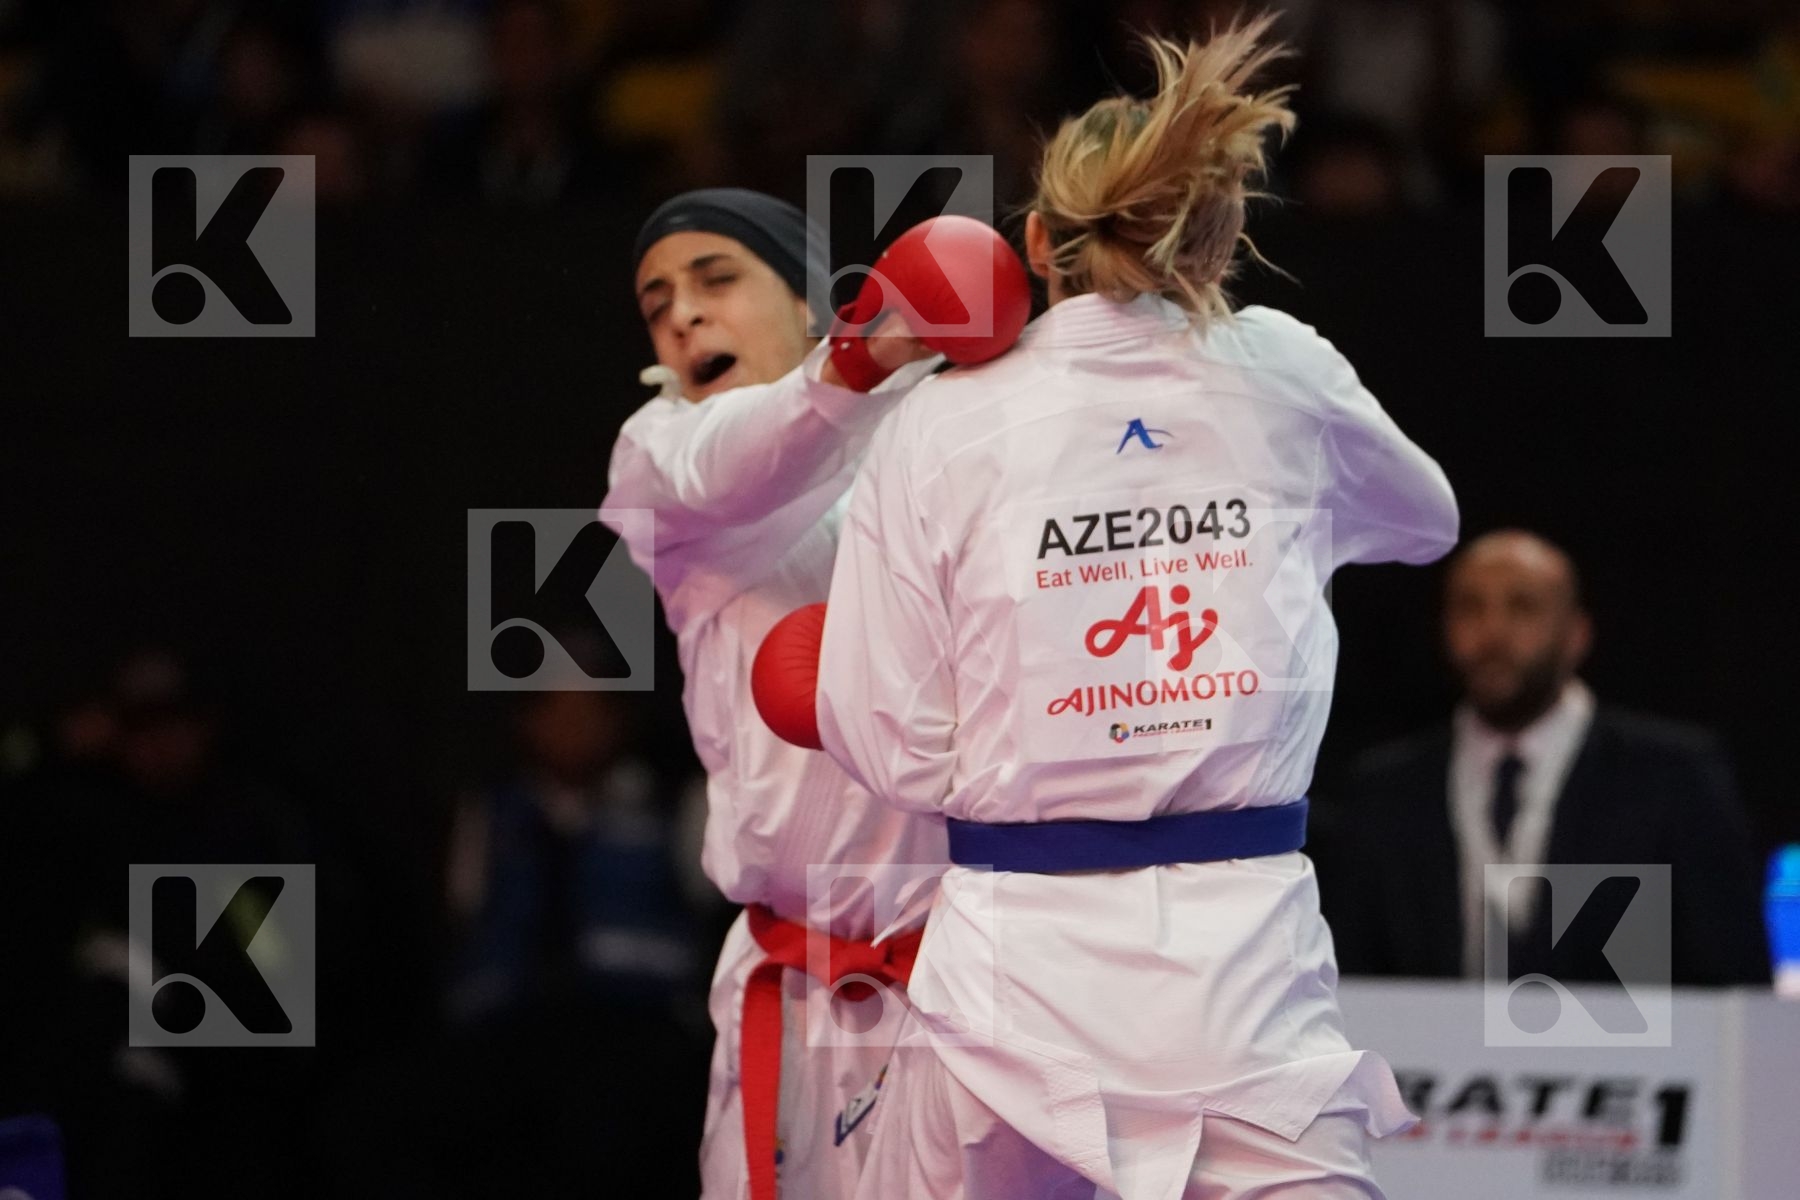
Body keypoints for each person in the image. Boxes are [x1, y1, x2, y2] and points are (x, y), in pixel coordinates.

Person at [781, 21, 1460, 1199]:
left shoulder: (942, 419)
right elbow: (1428, 523)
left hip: (1011, 971)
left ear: (1036, 241)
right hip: (1245, 976)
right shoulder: (1284, 370)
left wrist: (1034, 759)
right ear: (1223, 234)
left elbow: (877, 729)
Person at [601, 189, 1022, 1198]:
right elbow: (738, 464)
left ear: (810, 302)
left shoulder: (942, 434)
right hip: (798, 989)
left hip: (978, 970)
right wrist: (862, 356)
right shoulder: (660, 456)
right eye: (658, 301)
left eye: (716, 279)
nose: (684, 314)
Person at [1319, 530, 1769, 986]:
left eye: (1523, 606)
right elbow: (1347, 978)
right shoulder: (1386, 792)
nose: (1492, 633)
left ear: (1577, 634)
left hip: (1625, 1054)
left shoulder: (1671, 779)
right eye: (1470, 607)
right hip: (1421, 1057)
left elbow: (1734, 977)